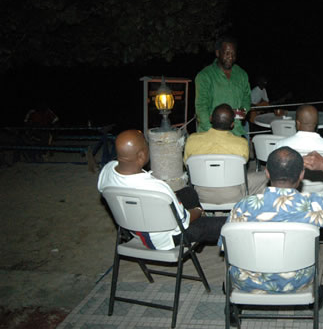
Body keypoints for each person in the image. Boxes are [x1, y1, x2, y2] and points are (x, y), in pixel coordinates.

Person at [222, 146, 323, 293]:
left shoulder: (242, 206)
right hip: (297, 282)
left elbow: (226, 247)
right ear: (301, 175)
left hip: (247, 282)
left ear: (267, 173)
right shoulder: (315, 205)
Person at [97, 130, 226, 250]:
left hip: (134, 231)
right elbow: (184, 221)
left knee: (188, 192)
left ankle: (197, 242)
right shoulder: (157, 188)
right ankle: (198, 236)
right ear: (141, 155)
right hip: (165, 239)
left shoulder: (106, 172)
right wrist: (198, 211)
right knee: (226, 224)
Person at [183, 104, 268, 204]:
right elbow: (242, 167)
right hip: (233, 195)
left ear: (211, 118)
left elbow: (187, 165)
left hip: (201, 195)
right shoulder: (241, 143)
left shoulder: (192, 140)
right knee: (265, 176)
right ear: (232, 124)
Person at [195, 36, 251, 136]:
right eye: (227, 53)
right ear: (218, 53)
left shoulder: (242, 74)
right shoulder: (204, 76)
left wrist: (241, 114)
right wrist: (213, 132)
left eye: (233, 54)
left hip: (236, 132)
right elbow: (201, 107)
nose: (231, 57)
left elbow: (246, 99)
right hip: (211, 133)